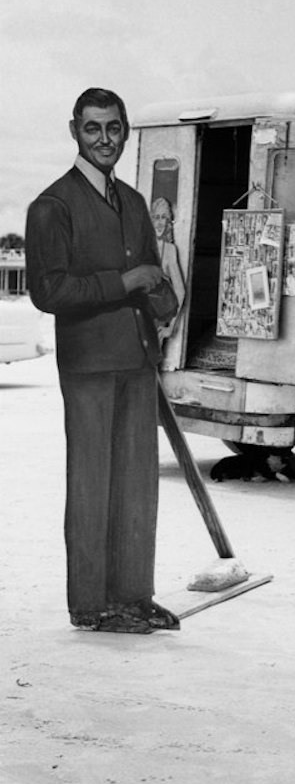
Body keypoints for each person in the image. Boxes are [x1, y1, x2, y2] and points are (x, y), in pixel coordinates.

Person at [26, 87, 179, 633]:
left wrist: (165, 299)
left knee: (138, 482)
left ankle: (134, 596)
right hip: (88, 363)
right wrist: (125, 281)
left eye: (113, 128)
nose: (104, 139)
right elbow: (48, 291)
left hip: (138, 358)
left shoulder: (135, 203)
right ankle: (92, 605)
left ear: (126, 130)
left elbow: (155, 274)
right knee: (92, 483)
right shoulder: (52, 205)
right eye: (93, 128)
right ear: (75, 131)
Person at [150, 196, 186, 341]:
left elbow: (180, 291)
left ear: (168, 221)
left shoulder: (169, 250)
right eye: (156, 217)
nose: (159, 223)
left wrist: (171, 327)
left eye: (163, 217)